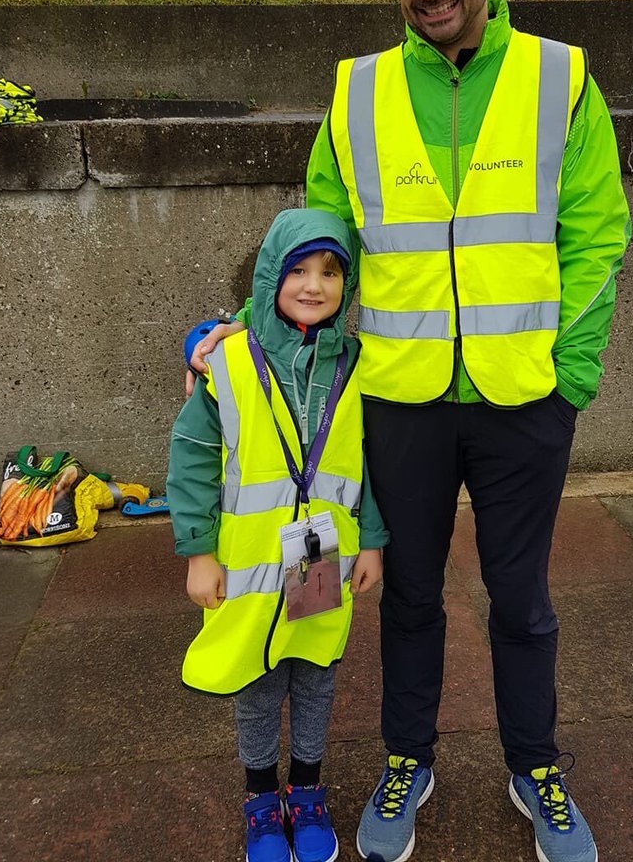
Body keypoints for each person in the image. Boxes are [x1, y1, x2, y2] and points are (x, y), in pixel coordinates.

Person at [191, 0, 631, 862]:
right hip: (398, 398)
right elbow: (316, 241)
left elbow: (597, 235)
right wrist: (241, 330)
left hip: (524, 398)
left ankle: (534, 768)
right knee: (408, 596)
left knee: (520, 601)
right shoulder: (356, 92)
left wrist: (572, 378)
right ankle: (406, 758)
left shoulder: (559, 80)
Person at [169, 207, 388, 862]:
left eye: (329, 272)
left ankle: (308, 790)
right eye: (297, 270)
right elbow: (191, 458)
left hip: (319, 549)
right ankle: (262, 798)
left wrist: (371, 539)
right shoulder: (228, 362)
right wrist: (198, 552)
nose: (314, 284)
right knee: (259, 678)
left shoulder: (357, 361)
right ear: (270, 279)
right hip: (249, 558)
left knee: (313, 668)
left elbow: (369, 460)